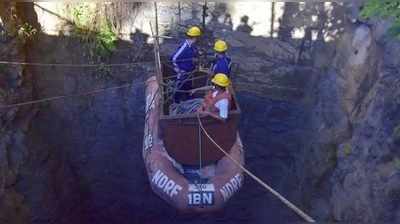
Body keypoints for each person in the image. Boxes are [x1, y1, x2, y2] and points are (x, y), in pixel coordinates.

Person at [171, 26, 202, 103]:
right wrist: (178, 69)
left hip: (190, 70)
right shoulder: (184, 47)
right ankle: (176, 101)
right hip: (183, 72)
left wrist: (197, 55)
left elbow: (194, 52)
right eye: (197, 37)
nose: (198, 39)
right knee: (180, 86)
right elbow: (174, 58)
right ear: (195, 37)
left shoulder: (192, 45)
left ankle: (189, 96)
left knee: (188, 83)